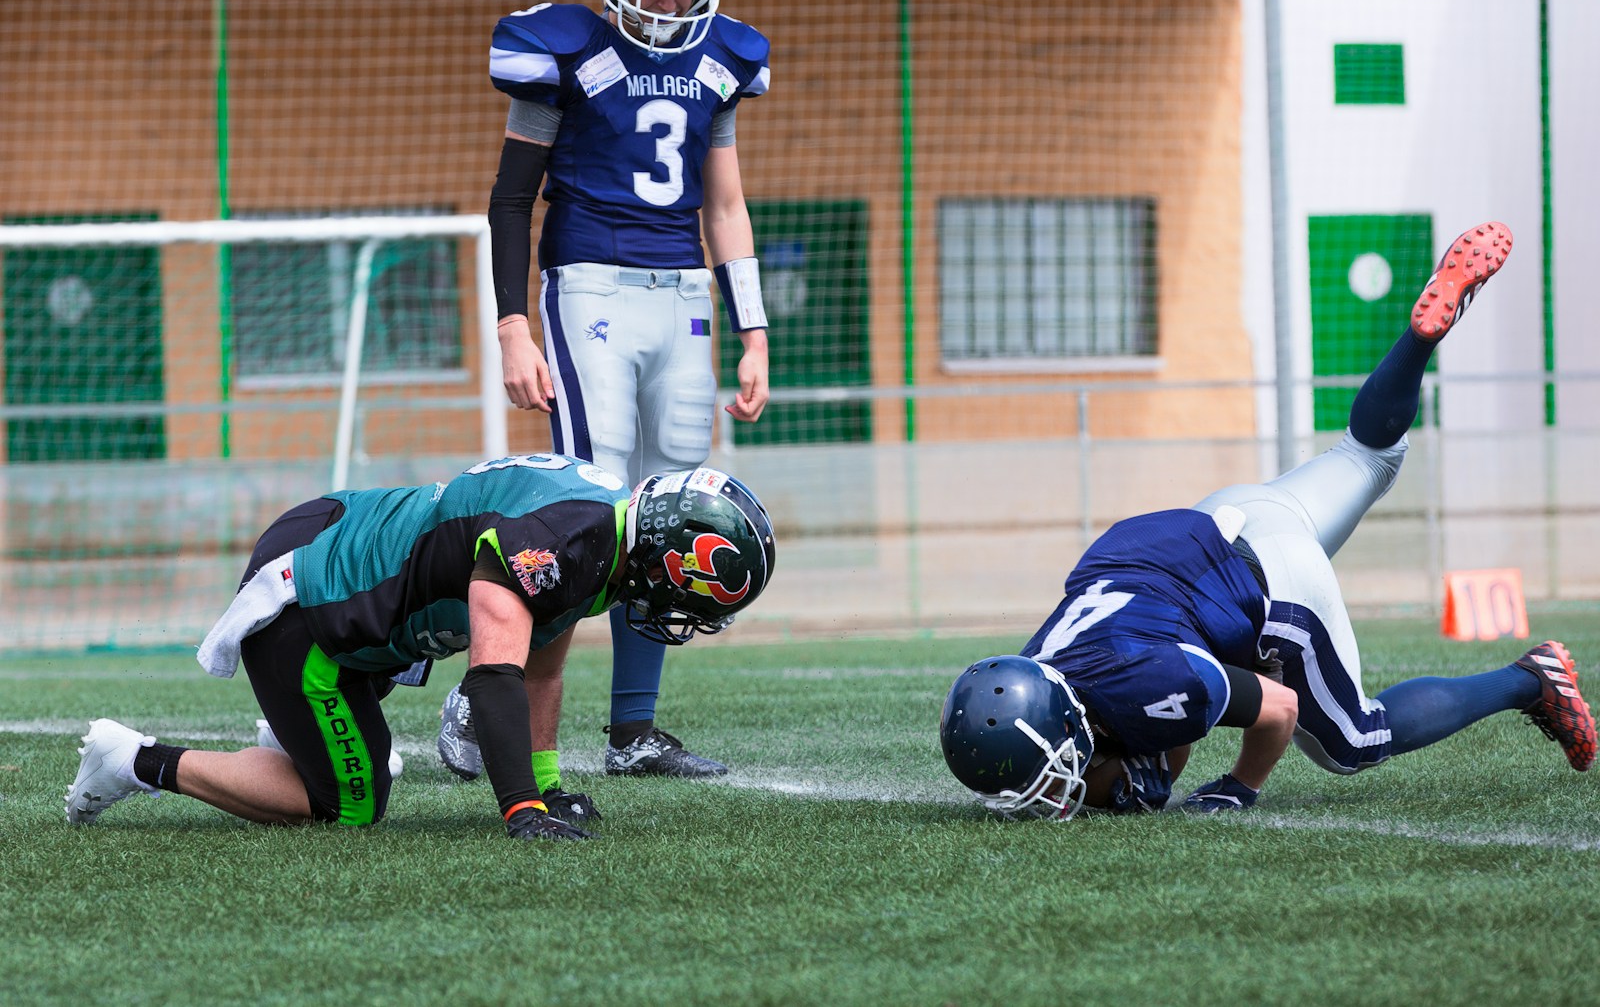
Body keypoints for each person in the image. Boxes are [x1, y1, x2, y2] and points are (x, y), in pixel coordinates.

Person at [940, 220, 1597, 819]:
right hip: (1219, 520)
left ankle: (1530, 676)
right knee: (1368, 454)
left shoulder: (1138, 683)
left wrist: (1241, 784)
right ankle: (1420, 336)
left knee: (1352, 740)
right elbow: (1166, 704)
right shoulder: (1037, 663)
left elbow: (1268, 707)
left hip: (1270, 577)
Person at [449, 0, 774, 784]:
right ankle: (485, 691)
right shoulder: (565, 49)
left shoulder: (726, 56)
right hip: (589, 283)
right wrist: (512, 325)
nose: (667, 11)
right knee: (589, 505)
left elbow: (727, 204)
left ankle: (633, 728)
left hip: (684, 296)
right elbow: (512, 195)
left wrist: (755, 329)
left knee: (670, 515)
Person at [63, 457, 776, 840]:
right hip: (314, 599)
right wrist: (523, 806)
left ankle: (293, 738)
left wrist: (550, 781)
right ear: (669, 556)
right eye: (693, 599)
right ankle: (132, 760)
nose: (682, 615)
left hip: (351, 541)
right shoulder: (564, 540)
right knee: (350, 803)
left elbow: (540, 663)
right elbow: (495, 675)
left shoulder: (602, 533)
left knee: (363, 753)